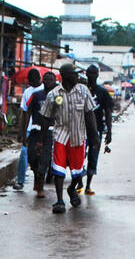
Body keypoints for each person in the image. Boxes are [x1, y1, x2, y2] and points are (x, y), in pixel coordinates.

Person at [37, 61, 97, 214]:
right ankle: (59, 200)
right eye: (73, 73)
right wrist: (41, 139)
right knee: (58, 168)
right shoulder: (54, 94)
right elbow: (45, 117)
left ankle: (71, 189)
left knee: (78, 170)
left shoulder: (83, 91)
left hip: (78, 136)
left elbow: (90, 114)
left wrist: (94, 135)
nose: (77, 76)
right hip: (60, 136)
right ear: (65, 76)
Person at [84, 65, 112, 196]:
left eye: (94, 73)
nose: (91, 75)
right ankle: (77, 182)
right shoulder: (80, 90)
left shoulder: (103, 92)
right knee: (78, 157)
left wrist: (109, 131)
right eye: (89, 73)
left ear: (97, 74)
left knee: (93, 157)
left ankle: (88, 185)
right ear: (86, 74)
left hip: (97, 131)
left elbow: (108, 112)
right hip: (80, 130)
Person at [14, 68, 42, 190]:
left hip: (43, 129)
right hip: (30, 128)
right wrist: (22, 132)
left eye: (33, 80)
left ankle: (40, 180)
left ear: (39, 79)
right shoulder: (27, 92)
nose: (31, 83)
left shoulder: (45, 91)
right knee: (24, 154)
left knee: (41, 156)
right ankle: (20, 180)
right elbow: (24, 113)